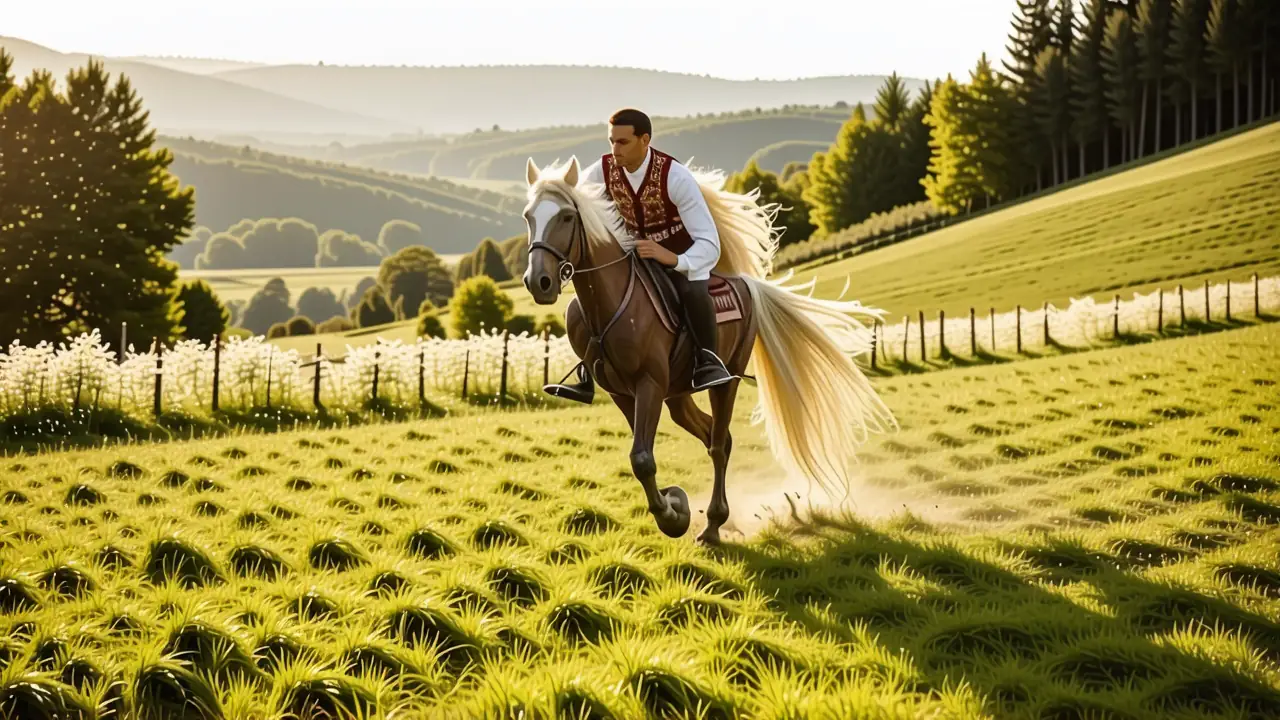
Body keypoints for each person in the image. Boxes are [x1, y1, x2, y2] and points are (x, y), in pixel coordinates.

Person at [545, 107, 734, 403]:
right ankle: (587, 372)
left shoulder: (675, 178)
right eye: (611, 141)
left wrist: (673, 258)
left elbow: (710, 244)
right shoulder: (600, 172)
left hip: (681, 257)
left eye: (623, 142)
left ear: (645, 140)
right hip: (633, 256)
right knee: (589, 300)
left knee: (692, 290)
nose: (615, 149)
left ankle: (708, 361)